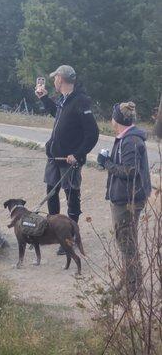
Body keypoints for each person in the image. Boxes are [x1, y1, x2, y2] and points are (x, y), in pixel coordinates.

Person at [35, 65, 99, 255]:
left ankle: (69, 237)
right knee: (51, 193)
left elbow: (92, 133)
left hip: (70, 161)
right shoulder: (64, 100)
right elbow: (59, 116)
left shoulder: (80, 101)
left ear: (60, 79)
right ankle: (55, 232)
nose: (53, 81)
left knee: (72, 196)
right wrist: (45, 99)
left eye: (55, 78)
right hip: (54, 157)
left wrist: (78, 154)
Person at [97, 102, 151, 297]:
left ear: (117, 120)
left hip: (128, 200)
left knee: (126, 242)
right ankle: (128, 279)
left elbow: (130, 171)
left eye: (112, 116)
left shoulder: (129, 141)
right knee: (126, 241)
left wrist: (107, 163)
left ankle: (133, 288)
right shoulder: (127, 138)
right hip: (126, 197)